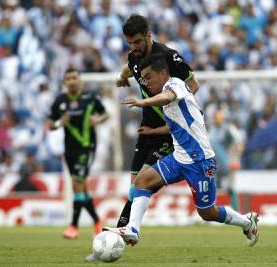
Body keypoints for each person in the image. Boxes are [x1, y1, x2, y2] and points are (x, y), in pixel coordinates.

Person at [106, 53, 259, 248]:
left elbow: (167, 96)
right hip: (179, 158)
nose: (145, 83)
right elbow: (175, 126)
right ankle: (132, 230)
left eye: (149, 77)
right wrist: (154, 131)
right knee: (142, 181)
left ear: (163, 73)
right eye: (142, 79)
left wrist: (143, 102)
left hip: (200, 161)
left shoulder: (174, 85)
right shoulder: (170, 100)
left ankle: (247, 222)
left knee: (207, 212)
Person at [115, 14, 199, 228]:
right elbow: (129, 67)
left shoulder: (169, 57)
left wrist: (176, 107)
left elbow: (194, 84)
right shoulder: (134, 57)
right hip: (147, 128)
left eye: (137, 42)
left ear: (149, 36)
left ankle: (122, 229)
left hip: (166, 131)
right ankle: (124, 229)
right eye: (129, 43)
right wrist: (122, 77)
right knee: (133, 186)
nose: (133, 47)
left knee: (141, 183)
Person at [47, 68, 109, 239]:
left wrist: (97, 119)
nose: (72, 81)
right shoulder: (60, 101)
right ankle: (97, 220)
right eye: (68, 78)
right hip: (69, 149)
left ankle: (73, 226)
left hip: (87, 146)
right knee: (81, 187)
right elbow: (50, 124)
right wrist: (60, 122)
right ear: (64, 82)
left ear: (79, 80)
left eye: (74, 77)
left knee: (76, 183)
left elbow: (105, 114)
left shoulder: (90, 98)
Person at [208, 108, 241, 212]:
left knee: (231, 188)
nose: (216, 119)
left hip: (228, 162)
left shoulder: (229, 128)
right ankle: (212, 212)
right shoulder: (212, 129)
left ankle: (236, 211)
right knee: (212, 187)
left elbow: (238, 143)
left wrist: (235, 159)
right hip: (215, 163)